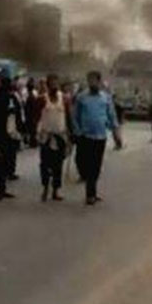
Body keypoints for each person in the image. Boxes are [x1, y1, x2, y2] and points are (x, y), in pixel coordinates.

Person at [72, 71, 117, 205]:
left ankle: (92, 192)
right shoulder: (81, 97)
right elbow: (75, 116)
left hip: (100, 136)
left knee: (96, 166)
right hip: (86, 136)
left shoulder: (105, 97)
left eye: (94, 80)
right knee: (88, 164)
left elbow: (111, 115)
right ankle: (90, 194)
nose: (92, 83)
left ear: (99, 81)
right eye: (89, 80)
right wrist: (77, 131)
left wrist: (115, 131)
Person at [38, 77, 68, 202]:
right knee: (45, 164)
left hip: (60, 135)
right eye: (51, 84)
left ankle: (55, 190)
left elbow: (69, 116)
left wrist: (71, 136)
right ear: (48, 86)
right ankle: (45, 188)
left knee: (58, 165)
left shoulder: (64, 99)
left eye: (56, 84)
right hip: (46, 136)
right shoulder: (41, 99)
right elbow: (35, 116)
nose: (54, 87)